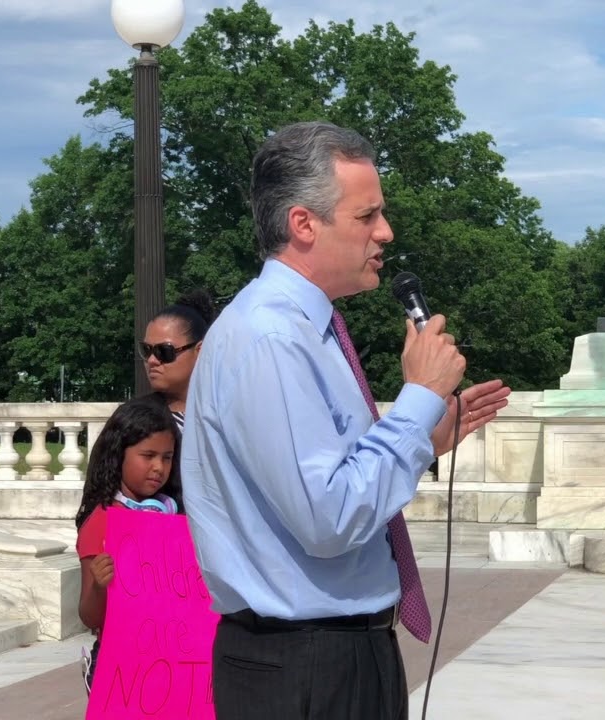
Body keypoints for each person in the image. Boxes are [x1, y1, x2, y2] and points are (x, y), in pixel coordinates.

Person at [181, 120, 512, 720]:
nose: (385, 233)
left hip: (332, 654)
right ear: (303, 223)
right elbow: (328, 518)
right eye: (367, 217)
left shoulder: (309, 328)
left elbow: (329, 481)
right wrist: (416, 400)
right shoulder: (271, 336)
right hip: (304, 665)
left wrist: (423, 440)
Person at [74, 398, 183, 694]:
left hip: (171, 661)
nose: (159, 467)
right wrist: (98, 585)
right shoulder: (101, 522)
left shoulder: (177, 517)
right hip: (120, 665)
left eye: (168, 457)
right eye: (147, 455)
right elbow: (89, 616)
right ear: (118, 454)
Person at [139, 290, 220, 432]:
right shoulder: (133, 421)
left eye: (164, 351)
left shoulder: (226, 417)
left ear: (200, 351)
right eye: (146, 350)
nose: (152, 360)